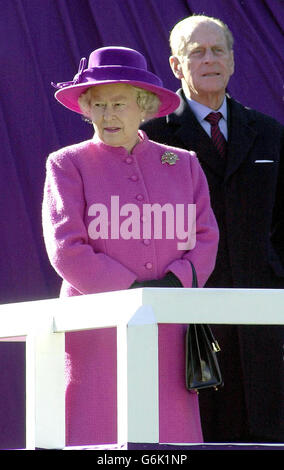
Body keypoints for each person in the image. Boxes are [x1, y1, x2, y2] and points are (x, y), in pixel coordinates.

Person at [42, 46, 219, 442]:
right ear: (85, 109)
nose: (107, 115)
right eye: (98, 104)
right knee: (96, 432)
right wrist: (130, 292)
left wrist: (174, 286)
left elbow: (205, 236)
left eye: (119, 103)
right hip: (97, 329)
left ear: (144, 107)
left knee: (170, 437)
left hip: (168, 325)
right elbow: (66, 247)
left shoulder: (184, 162)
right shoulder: (67, 163)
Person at [141, 15, 284, 443]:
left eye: (217, 50)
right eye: (196, 52)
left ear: (233, 61)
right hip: (190, 311)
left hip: (262, 309)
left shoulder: (270, 133)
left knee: (266, 429)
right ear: (176, 65)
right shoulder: (152, 139)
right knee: (195, 431)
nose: (209, 60)